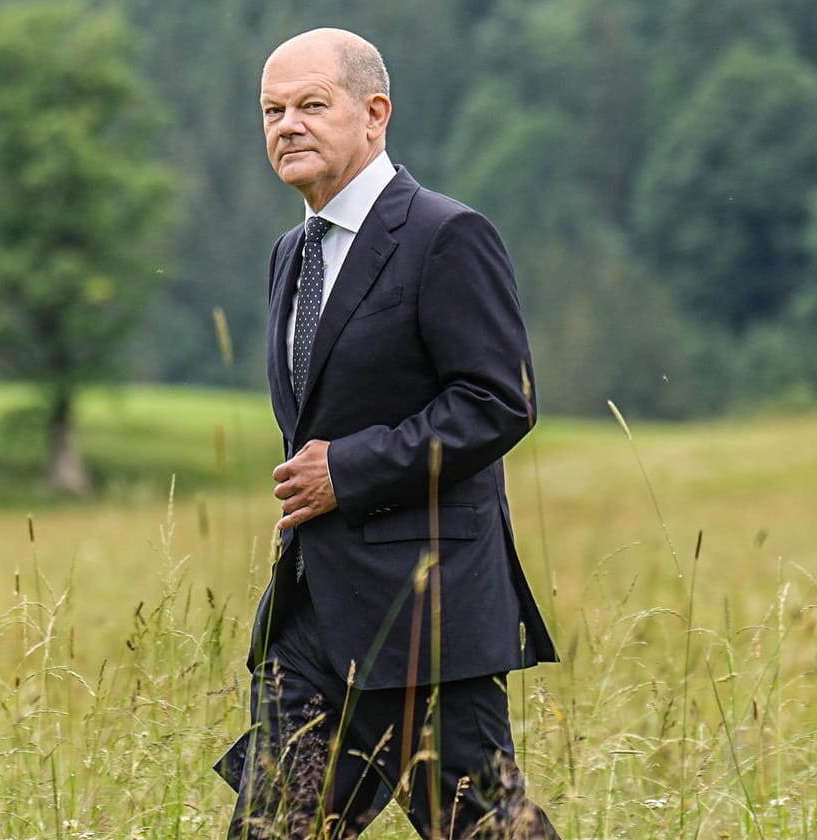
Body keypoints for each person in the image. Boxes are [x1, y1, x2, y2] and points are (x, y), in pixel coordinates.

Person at [214, 28, 561, 839]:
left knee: (483, 829)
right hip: (312, 619)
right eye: (271, 110)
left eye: (310, 105)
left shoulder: (446, 235)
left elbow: (496, 400)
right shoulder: (287, 255)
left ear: (374, 114)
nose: (286, 125)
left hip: (424, 614)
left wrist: (351, 469)